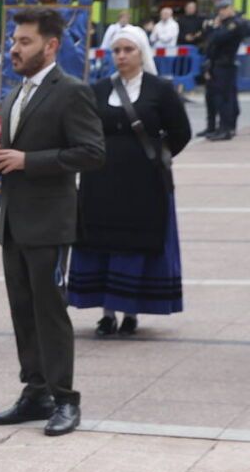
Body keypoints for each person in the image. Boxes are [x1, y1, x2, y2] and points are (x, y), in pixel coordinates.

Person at [0, 6, 105, 437]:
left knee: (51, 312)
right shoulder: (12, 95)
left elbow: (92, 152)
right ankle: (35, 392)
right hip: (13, 222)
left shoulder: (70, 91)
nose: (15, 49)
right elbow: (8, 164)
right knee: (22, 310)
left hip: (50, 223)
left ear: (51, 46)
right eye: (13, 41)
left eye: (25, 41)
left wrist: (28, 160)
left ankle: (65, 399)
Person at [68, 26, 191, 338]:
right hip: (101, 182)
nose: (121, 56)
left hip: (144, 185)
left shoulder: (160, 89)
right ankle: (107, 314)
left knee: (134, 243)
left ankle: (130, 311)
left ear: (141, 53)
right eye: (116, 51)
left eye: (128, 50)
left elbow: (181, 132)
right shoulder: (97, 89)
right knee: (102, 242)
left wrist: (153, 158)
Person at [199, 0, 250, 140]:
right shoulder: (224, 23)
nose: (220, 12)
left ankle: (226, 129)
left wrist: (216, 28)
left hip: (225, 64)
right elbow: (209, 40)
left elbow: (218, 38)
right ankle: (217, 127)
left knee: (224, 98)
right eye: (219, 9)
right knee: (215, 97)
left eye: (223, 9)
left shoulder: (233, 24)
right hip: (216, 63)